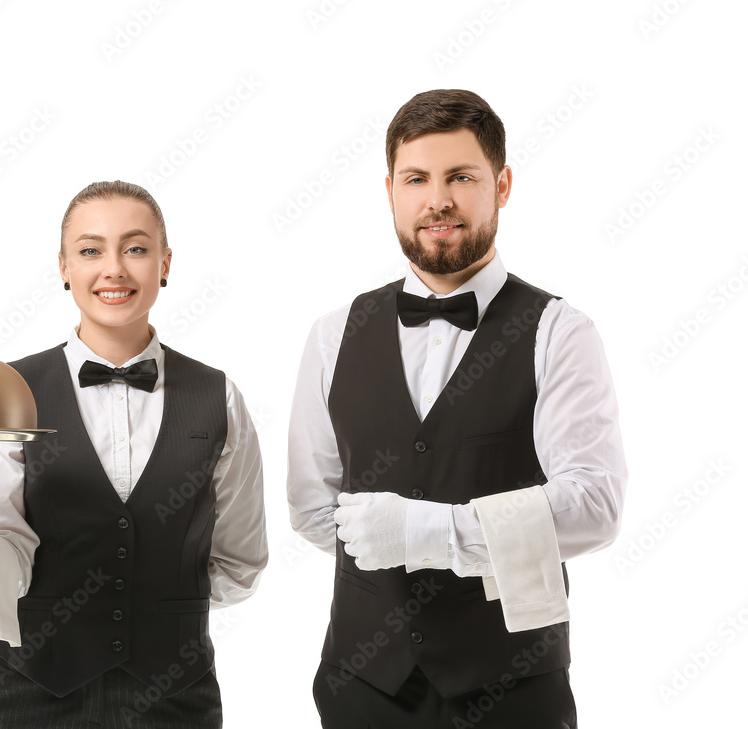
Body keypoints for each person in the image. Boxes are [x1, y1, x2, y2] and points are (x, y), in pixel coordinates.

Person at [287, 89, 626, 728]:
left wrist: (435, 536)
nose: (436, 199)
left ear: (500, 185)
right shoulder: (332, 334)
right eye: (417, 178)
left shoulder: (560, 331)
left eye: (460, 177)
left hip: (515, 688)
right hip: (363, 685)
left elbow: (594, 506)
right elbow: (311, 507)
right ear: (390, 189)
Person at [0, 180, 267, 728]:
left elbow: (239, 565)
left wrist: (162, 614)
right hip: (31, 694)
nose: (115, 268)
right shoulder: (12, 393)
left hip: (177, 697)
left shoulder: (218, 395)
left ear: (165, 262)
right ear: (64, 267)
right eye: (91, 249)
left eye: (137, 248)